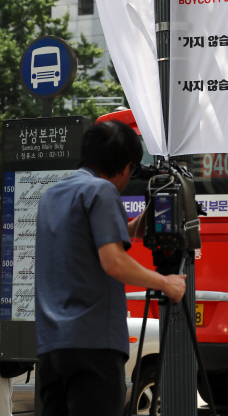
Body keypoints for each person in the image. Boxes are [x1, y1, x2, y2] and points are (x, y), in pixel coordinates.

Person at [35, 121, 187, 416]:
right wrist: (166, 283)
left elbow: (98, 238)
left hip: (52, 348)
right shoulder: (101, 190)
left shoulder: (51, 195)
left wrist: (153, 208)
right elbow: (114, 262)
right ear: (125, 167)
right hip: (93, 346)